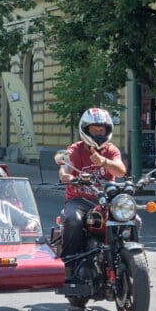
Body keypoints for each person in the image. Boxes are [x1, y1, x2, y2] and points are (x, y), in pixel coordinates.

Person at [58, 108, 127, 259]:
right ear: (85, 130)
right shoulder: (75, 150)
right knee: (73, 220)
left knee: (133, 219)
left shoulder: (111, 150)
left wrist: (104, 162)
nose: (98, 133)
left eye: (101, 130)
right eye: (94, 130)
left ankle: (124, 253)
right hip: (79, 200)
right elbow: (65, 167)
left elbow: (121, 171)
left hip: (106, 201)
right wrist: (66, 176)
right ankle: (69, 262)